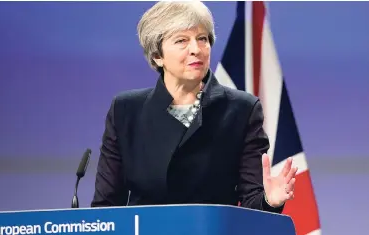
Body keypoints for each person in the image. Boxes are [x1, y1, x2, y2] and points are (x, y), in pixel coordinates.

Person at [91, 1, 297, 213]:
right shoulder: (126, 111)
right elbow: (105, 208)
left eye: (202, 39)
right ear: (157, 56)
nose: (196, 49)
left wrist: (269, 201)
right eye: (181, 41)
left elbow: (252, 207)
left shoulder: (242, 110)